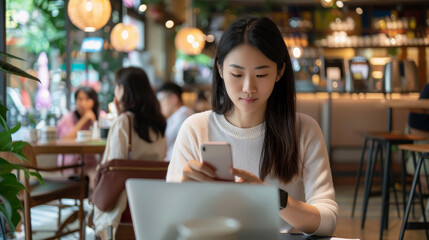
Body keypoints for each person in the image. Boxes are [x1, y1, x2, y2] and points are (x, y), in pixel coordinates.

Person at [166, 16, 338, 236]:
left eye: (261, 74)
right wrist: (185, 194)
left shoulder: (304, 130)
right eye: (237, 74)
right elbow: (170, 224)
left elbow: (327, 222)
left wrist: (273, 198)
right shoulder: (195, 128)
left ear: (280, 72)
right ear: (220, 69)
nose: (248, 88)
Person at [93, 67, 167, 238]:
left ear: (122, 89)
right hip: (154, 199)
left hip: (126, 202)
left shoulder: (124, 121)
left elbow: (114, 167)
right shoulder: (159, 123)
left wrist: (120, 116)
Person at [57, 86, 99, 171]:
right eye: (80, 99)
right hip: (69, 164)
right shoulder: (68, 118)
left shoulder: (99, 117)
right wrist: (83, 120)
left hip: (90, 164)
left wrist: (94, 123)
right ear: (75, 101)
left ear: (94, 101)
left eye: (87, 99)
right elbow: (64, 140)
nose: (83, 103)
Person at [157, 82, 194, 161]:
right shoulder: (175, 116)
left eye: (161, 99)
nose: (160, 104)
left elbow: (164, 143)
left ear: (174, 99)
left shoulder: (183, 114)